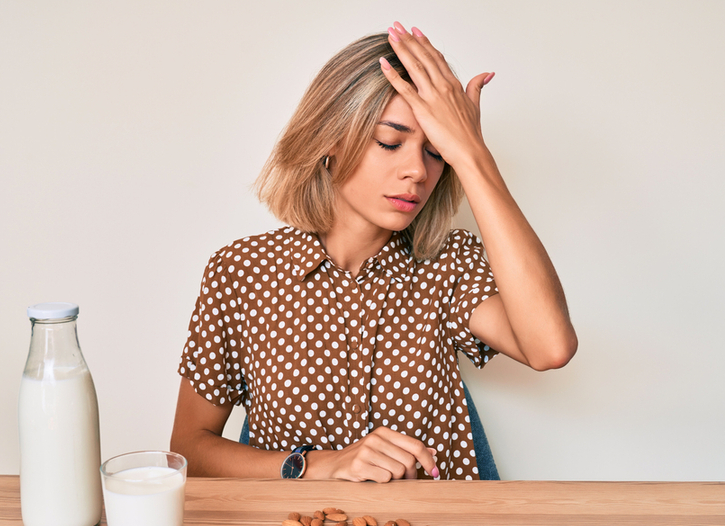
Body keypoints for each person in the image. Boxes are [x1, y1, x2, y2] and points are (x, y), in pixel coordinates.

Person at [170, 22, 577, 482]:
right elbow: (188, 450)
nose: (417, 172)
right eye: (390, 141)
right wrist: (315, 465)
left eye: (435, 152)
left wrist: (471, 155)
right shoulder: (242, 273)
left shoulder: (451, 263)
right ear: (330, 138)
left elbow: (550, 347)